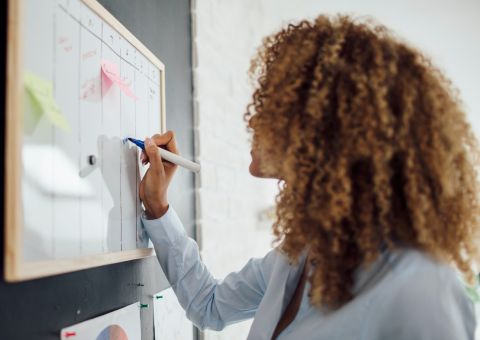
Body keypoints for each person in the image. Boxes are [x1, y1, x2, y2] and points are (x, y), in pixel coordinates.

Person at [138, 15, 478, 340]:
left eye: (271, 105)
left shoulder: (420, 294)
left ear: (325, 130)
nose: (253, 121)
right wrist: (157, 205)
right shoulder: (299, 253)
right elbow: (208, 305)